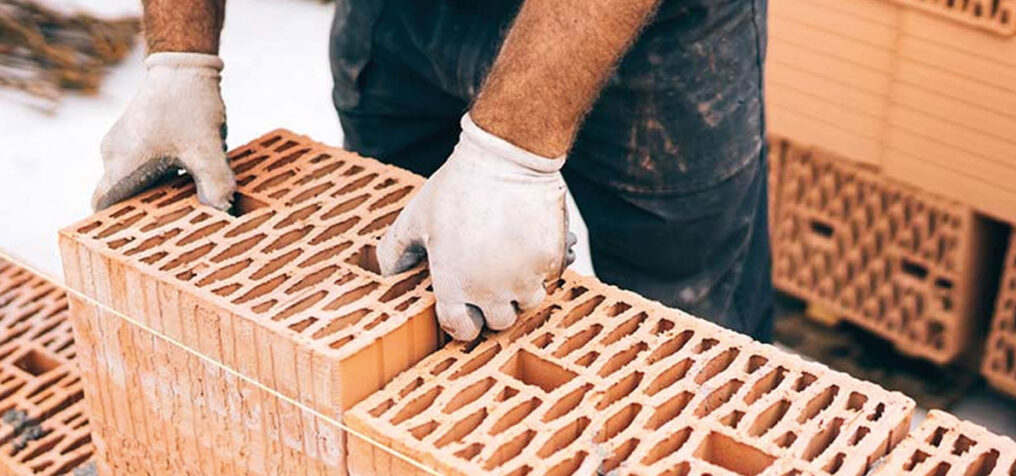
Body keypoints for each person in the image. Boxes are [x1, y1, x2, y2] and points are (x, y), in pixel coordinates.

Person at [93, 0, 773, 343]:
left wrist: (512, 152)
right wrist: (180, 58)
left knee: (691, 322)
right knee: (392, 295)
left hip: (644, 23)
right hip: (405, 14)